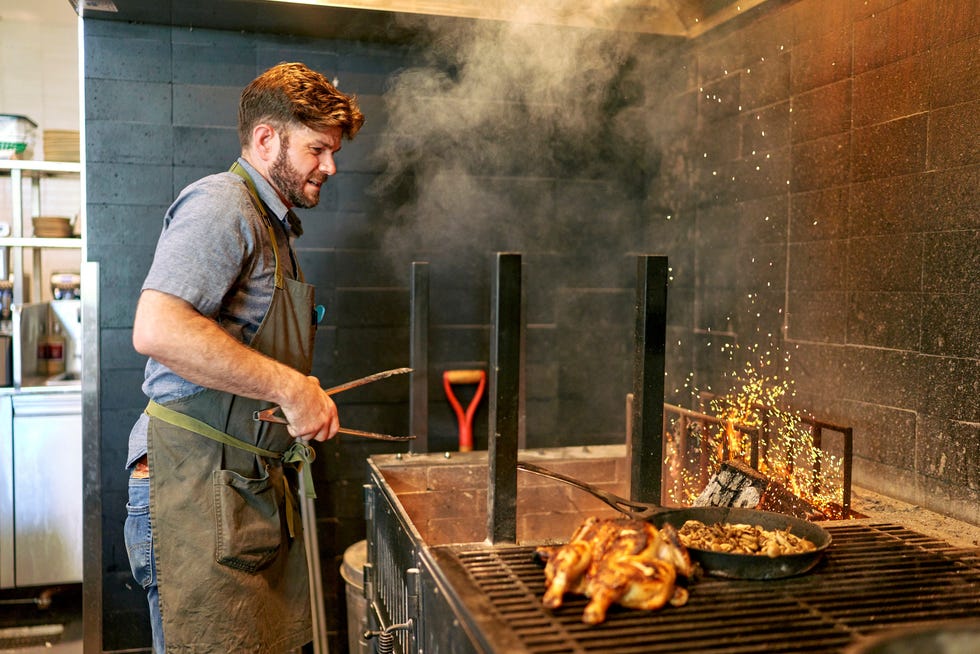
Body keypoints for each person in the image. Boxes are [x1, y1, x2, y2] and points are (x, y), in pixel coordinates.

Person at [124, 62, 364, 653]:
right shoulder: (222, 203)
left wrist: (298, 392)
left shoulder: (273, 224)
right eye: (316, 149)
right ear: (266, 139)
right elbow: (157, 328)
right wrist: (289, 386)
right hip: (193, 487)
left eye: (332, 151)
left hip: (234, 489)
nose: (329, 166)